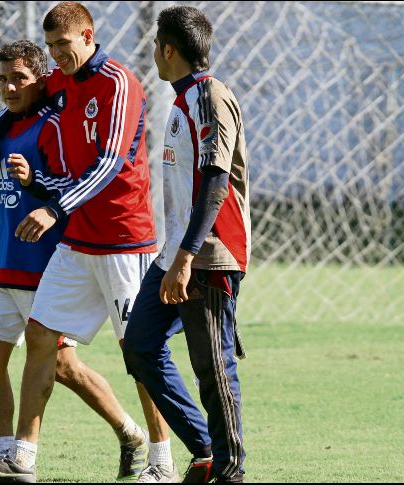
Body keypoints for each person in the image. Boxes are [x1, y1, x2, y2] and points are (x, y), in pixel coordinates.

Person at [0, 2, 177, 483]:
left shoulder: (119, 83)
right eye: (52, 46)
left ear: (88, 36)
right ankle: (21, 461)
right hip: (79, 240)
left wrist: (53, 206)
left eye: (65, 44)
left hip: (124, 240)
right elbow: (19, 103)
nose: (59, 54)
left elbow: (108, 163)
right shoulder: (58, 83)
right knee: (41, 338)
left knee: (140, 353)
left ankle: (162, 462)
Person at [122, 6, 250, 483]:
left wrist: (187, 257)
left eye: (156, 45)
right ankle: (205, 448)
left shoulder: (210, 95)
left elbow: (217, 181)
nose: (153, 53)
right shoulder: (182, 101)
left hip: (208, 253)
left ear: (169, 50)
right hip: (176, 253)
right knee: (139, 345)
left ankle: (230, 470)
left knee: (212, 365)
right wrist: (175, 256)